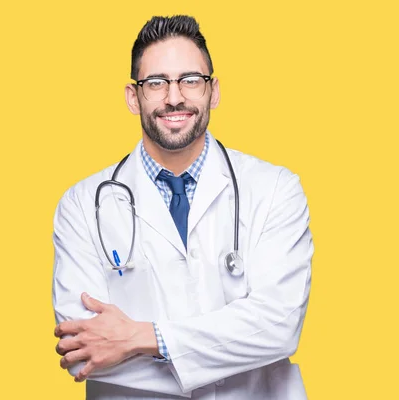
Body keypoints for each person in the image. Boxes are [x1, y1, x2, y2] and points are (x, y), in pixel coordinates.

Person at [52, 15, 313, 400]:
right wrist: (230, 348)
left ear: (214, 91)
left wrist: (142, 338)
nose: (174, 97)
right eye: (156, 83)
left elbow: (279, 327)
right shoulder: (82, 204)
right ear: (132, 96)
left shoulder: (276, 189)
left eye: (191, 80)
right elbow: (82, 350)